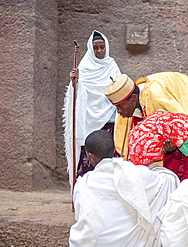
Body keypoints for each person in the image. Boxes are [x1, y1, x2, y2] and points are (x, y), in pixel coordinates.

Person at [69, 130, 180, 246]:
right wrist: (149, 161)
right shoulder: (135, 172)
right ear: (113, 150)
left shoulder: (84, 184)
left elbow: (84, 219)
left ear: (90, 156)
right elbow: (169, 180)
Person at [104, 72, 188, 181]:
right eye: (116, 107)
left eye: (119, 106)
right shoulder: (127, 102)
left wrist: (173, 142)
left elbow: (180, 124)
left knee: (180, 162)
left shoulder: (156, 95)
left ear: (133, 98)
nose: (118, 111)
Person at [63, 30, 121, 189]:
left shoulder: (112, 65)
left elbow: (118, 90)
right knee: (89, 161)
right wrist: (75, 82)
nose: (100, 51)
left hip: (109, 121)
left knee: (110, 159)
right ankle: (86, 194)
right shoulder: (84, 67)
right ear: (91, 48)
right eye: (96, 48)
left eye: (102, 47)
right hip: (89, 124)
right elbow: (76, 94)